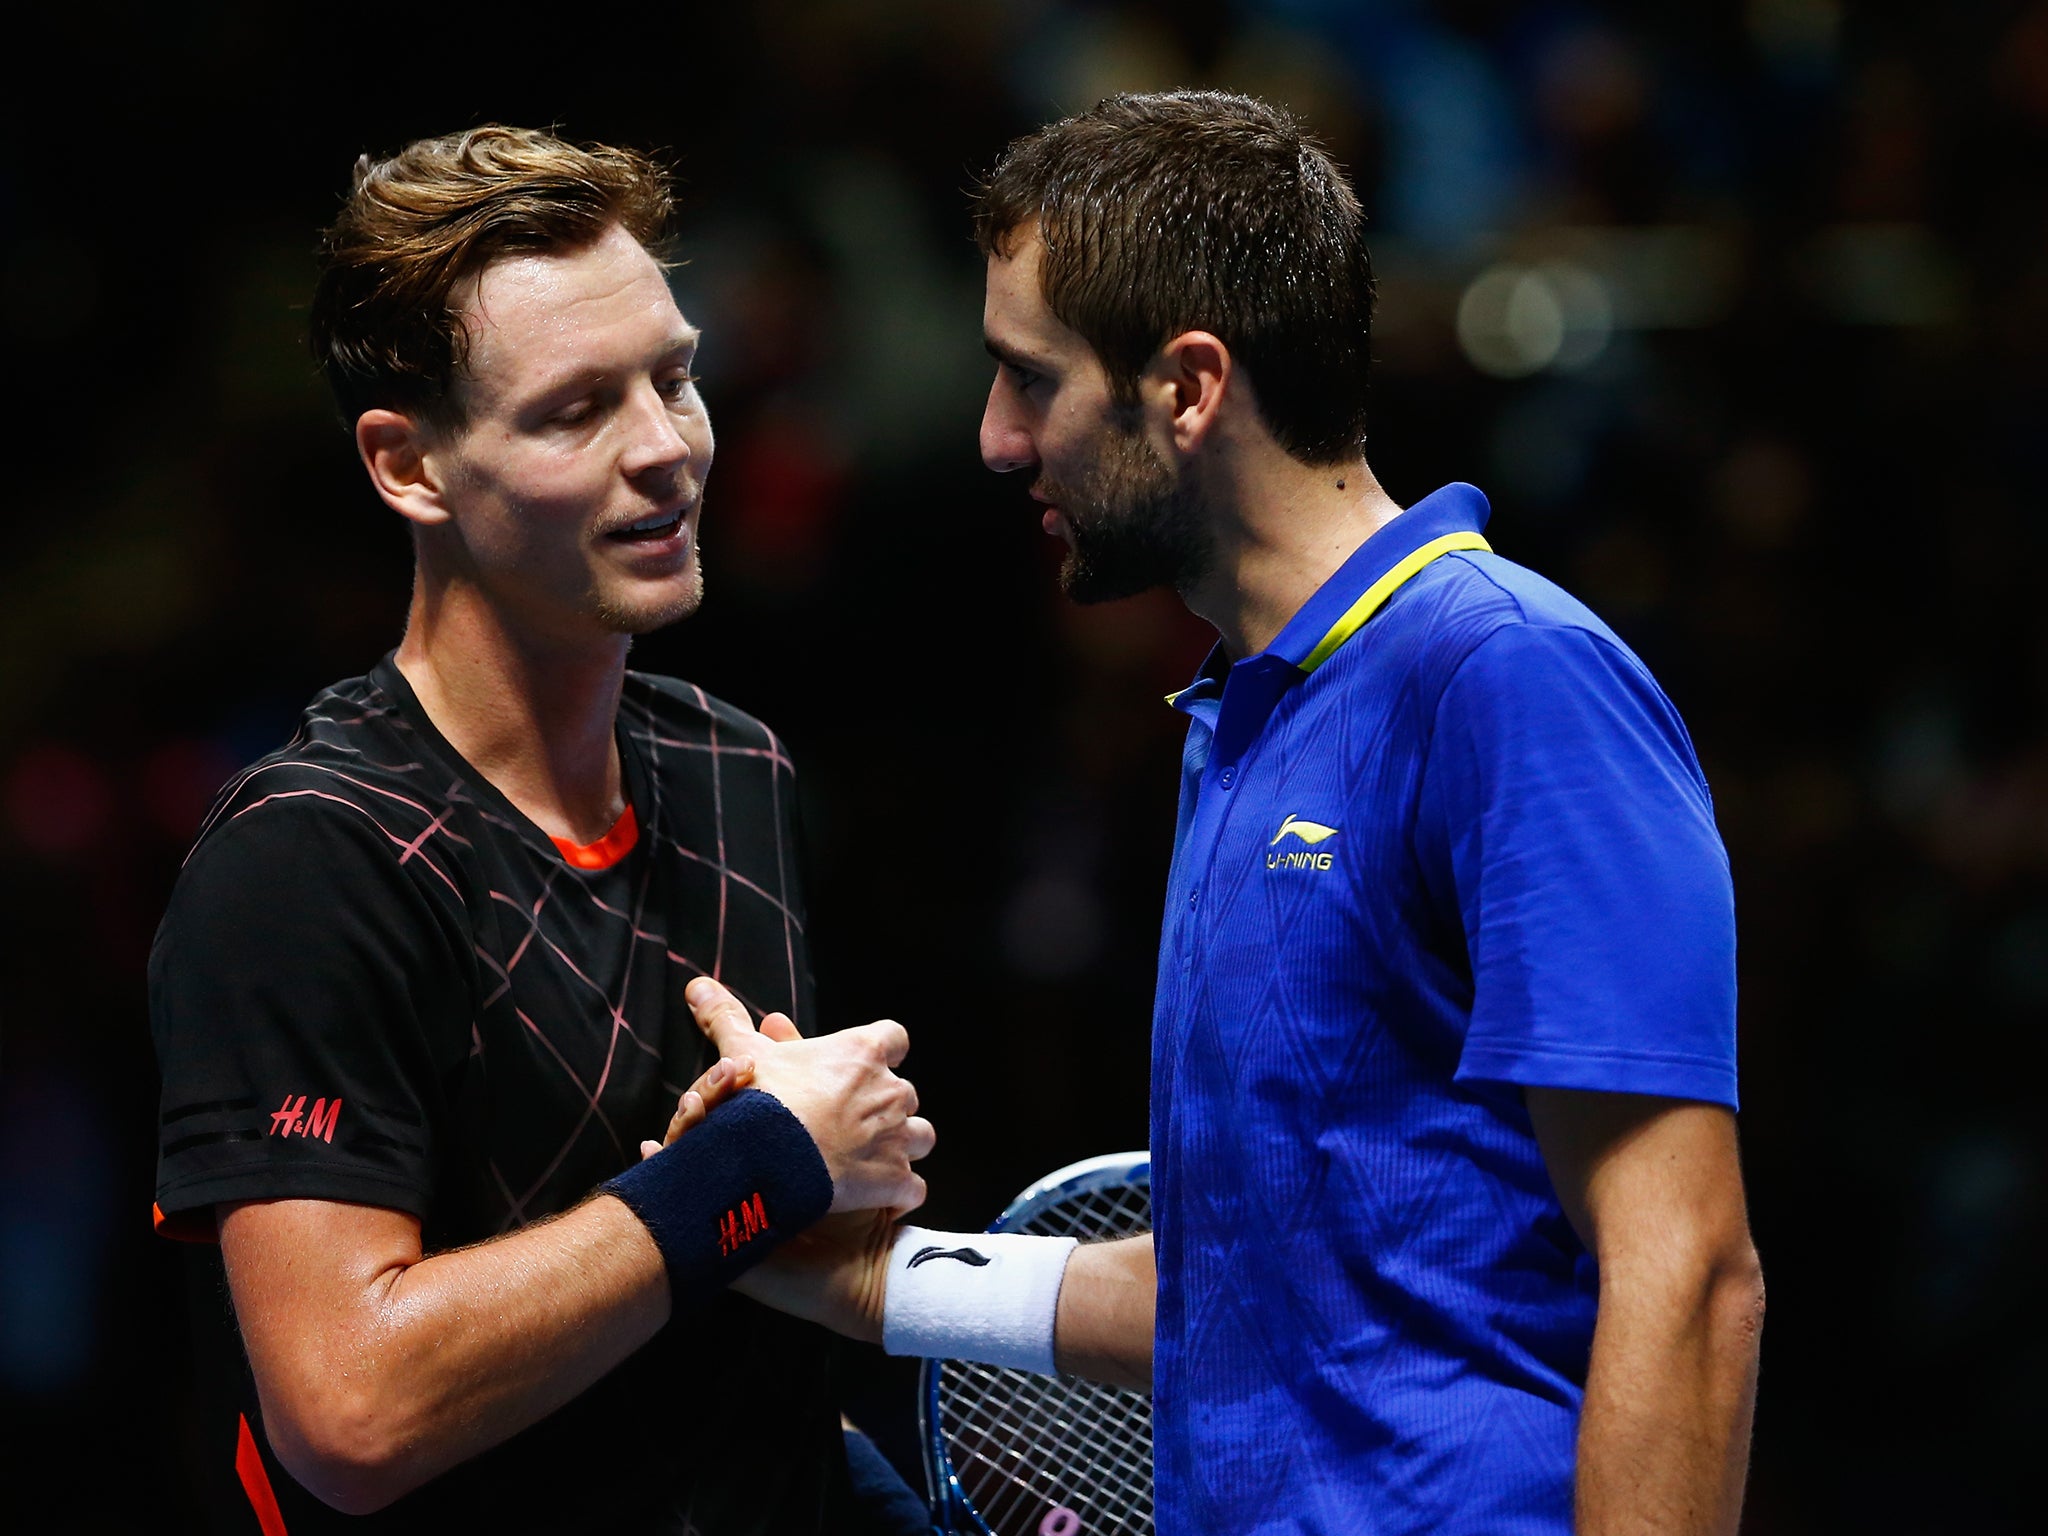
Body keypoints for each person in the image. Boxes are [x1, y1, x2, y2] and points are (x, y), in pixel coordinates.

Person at [702, 90, 1765, 1534]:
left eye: (1031, 379)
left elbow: (1689, 1273)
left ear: (1188, 388)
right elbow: (1247, 1296)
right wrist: (864, 1276)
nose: (995, 440)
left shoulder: (1509, 676)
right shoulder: (1244, 716)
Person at [149, 125, 936, 1535]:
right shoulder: (309, 857)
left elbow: (726, 1309)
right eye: (576, 411)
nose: (666, 452)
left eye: (676, 378)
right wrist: (756, 1168)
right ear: (410, 467)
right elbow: (351, 1409)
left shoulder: (732, 763)